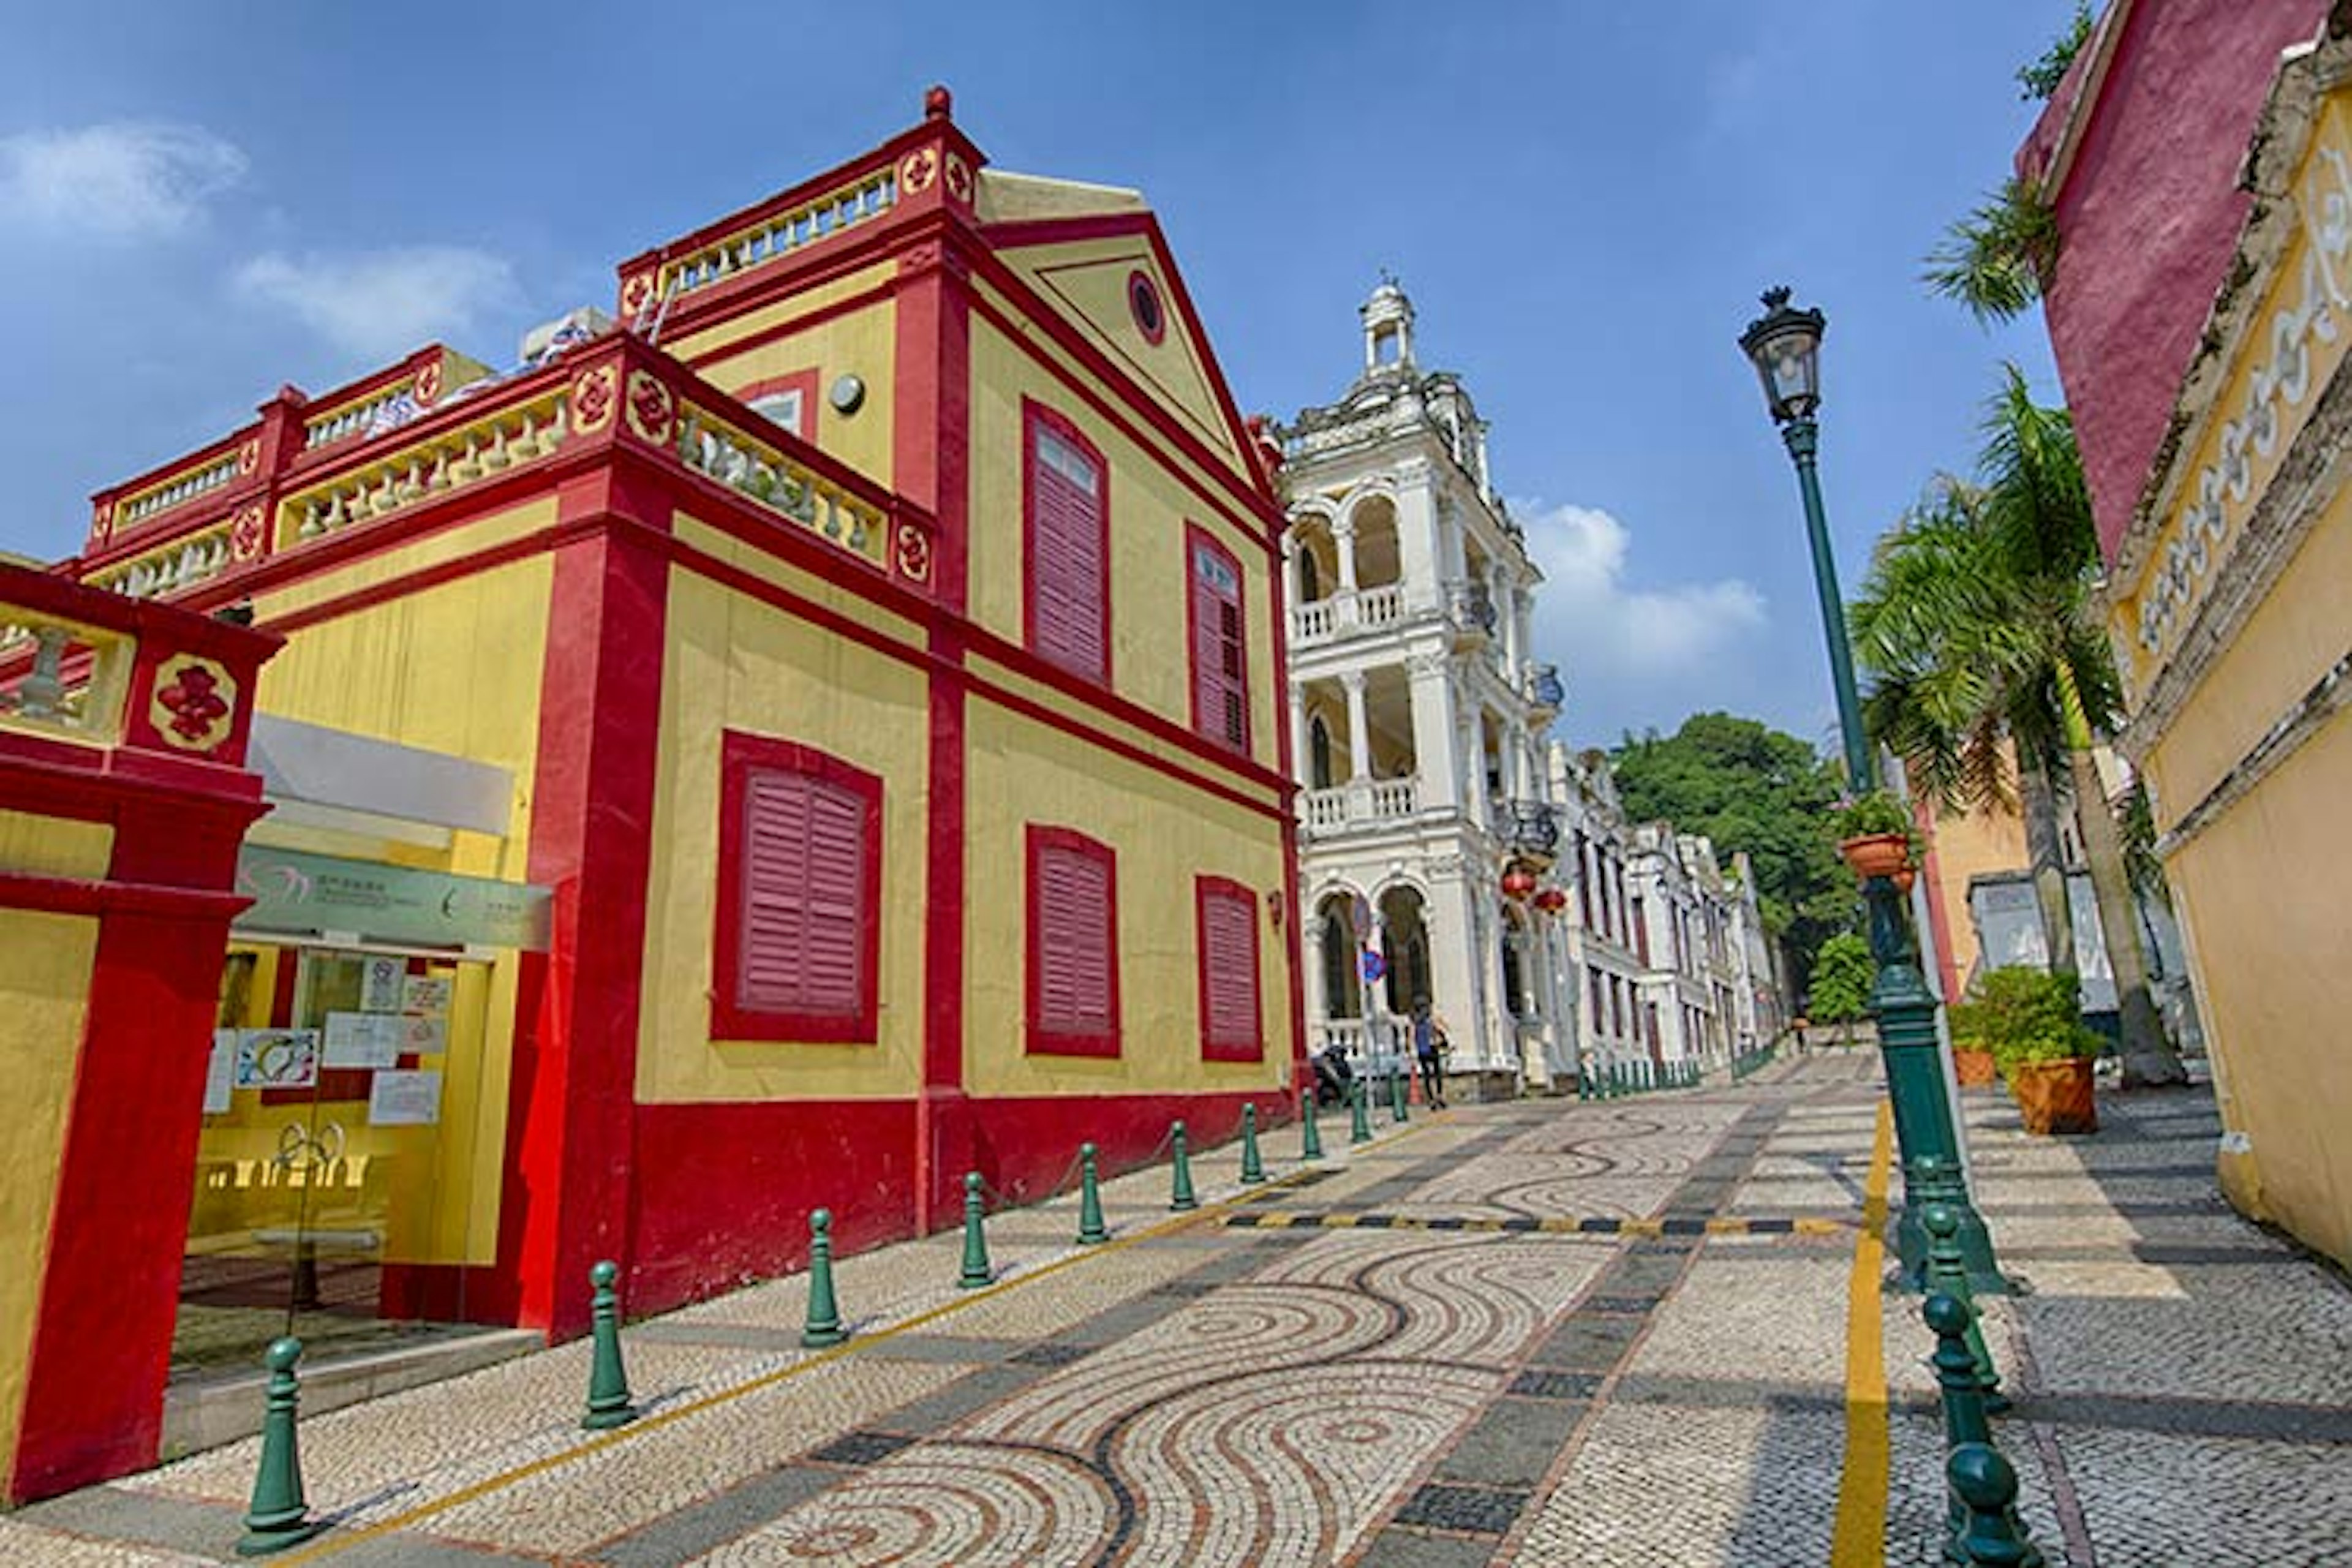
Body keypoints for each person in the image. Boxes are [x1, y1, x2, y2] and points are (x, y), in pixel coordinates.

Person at [1412, 1006, 1449, 1110]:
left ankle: (1432, 1099)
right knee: (1437, 1073)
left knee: (1427, 1075)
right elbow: (1441, 1030)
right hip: (1431, 1049)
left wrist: (1413, 1051)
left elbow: (1412, 1037)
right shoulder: (1431, 1021)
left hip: (1422, 1051)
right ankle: (1439, 1096)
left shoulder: (1416, 1022)